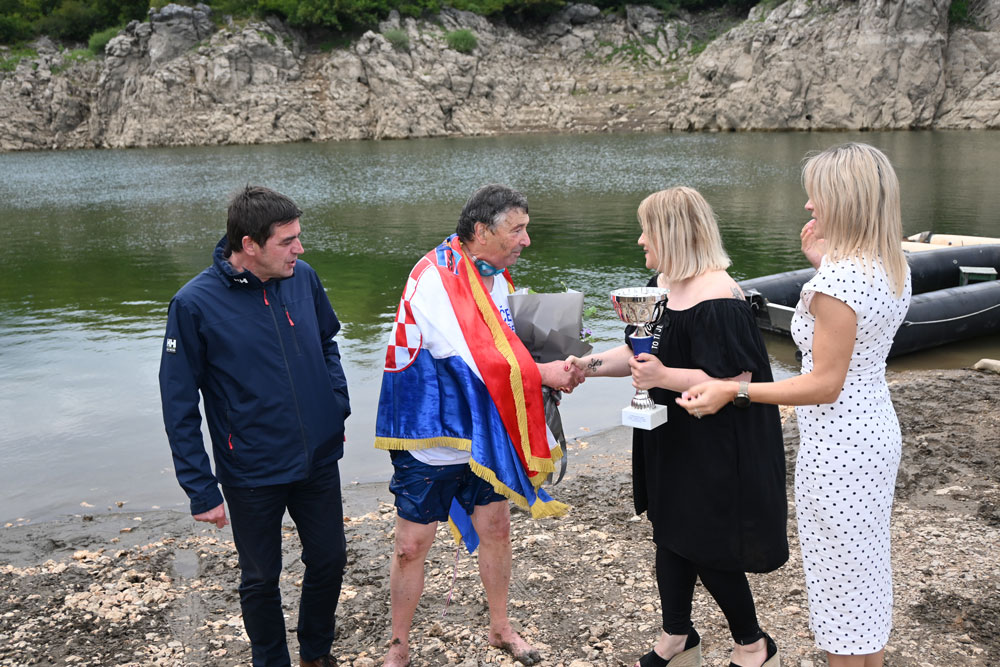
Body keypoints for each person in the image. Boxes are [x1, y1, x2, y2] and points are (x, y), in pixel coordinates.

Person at [679, 143, 911, 667]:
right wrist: (822, 267)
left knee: (839, 589)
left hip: (839, 447)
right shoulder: (890, 264)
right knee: (865, 573)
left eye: (816, 196)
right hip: (874, 430)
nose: (808, 206)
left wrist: (733, 390)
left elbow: (824, 385)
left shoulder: (840, 281)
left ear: (846, 200)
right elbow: (857, 339)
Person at [566, 186, 787, 667]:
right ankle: (676, 639)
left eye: (646, 230)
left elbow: (739, 380)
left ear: (672, 233)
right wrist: (586, 366)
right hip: (670, 433)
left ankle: (753, 646)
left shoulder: (721, 297)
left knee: (706, 543)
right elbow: (638, 353)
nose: (641, 240)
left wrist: (663, 377)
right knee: (669, 532)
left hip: (717, 441)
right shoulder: (663, 286)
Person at [374, 184, 585, 667]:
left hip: (481, 429)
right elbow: (479, 357)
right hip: (429, 434)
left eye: (526, 229)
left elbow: (506, 342)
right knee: (410, 545)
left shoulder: (495, 276)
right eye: (517, 230)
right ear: (480, 231)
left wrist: (555, 352)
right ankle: (398, 646)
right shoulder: (435, 277)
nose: (526, 240)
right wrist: (544, 373)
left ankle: (500, 628)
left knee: (497, 526)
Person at [158, 185, 351, 667]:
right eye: (287, 241)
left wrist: (335, 409)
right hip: (251, 469)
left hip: (317, 458)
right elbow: (178, 404)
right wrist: (200, 488)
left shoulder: (302, 278)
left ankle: (316, 655)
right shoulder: (193, 304)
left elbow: (327, 343)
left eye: (298, 237)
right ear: (249, 244)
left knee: (330, 560)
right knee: (261, 577)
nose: (299, 249)